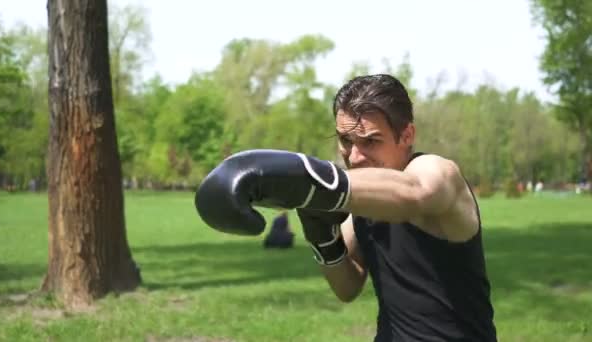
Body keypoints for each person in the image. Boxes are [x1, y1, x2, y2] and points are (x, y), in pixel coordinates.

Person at [195, 74, 497, 341]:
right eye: (345, 140)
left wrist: (309, 182)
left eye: (370, 141)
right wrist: (321, 233)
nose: (355, 156)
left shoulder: (436, 171)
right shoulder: (360, 200)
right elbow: (347, 287)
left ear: (406, 135)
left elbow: (414, 193)